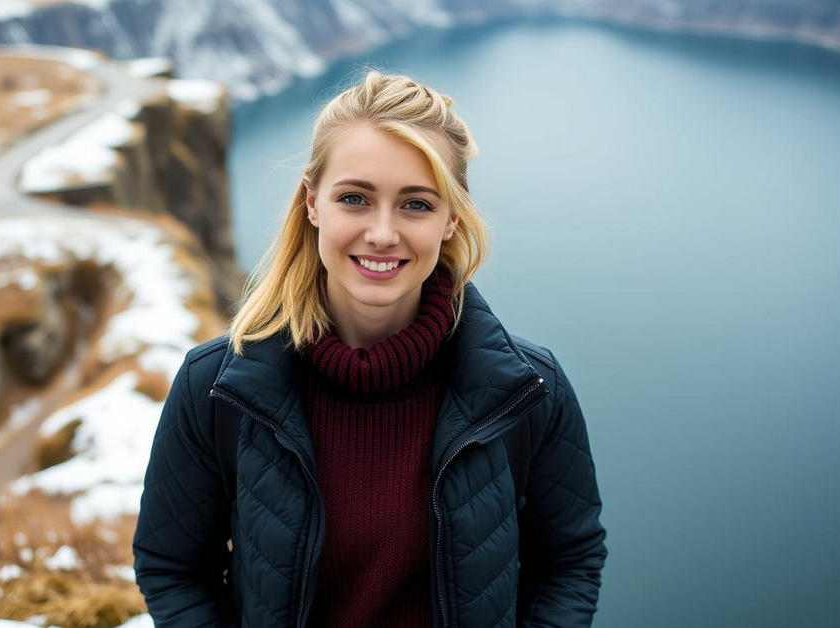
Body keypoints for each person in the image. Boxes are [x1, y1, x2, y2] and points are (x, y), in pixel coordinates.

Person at [132, 70, 608, 628]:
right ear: (312, 203)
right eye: (355, 198)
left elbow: (571, 562)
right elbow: (171, 566)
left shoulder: (530, 391)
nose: (383, 233)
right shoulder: (215, 386)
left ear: (452, 219)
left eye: (417, 205)